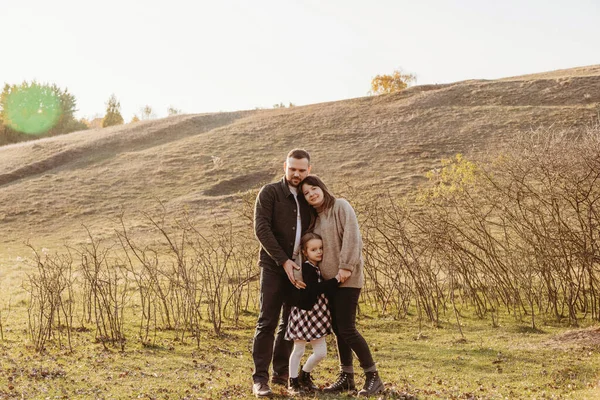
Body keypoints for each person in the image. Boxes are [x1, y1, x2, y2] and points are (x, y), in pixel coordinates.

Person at [299, 175, 385, 397]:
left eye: (314, 189)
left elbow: (352, 236)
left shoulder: (341, 206)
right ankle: (347, 377)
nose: (312, 194)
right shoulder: (315, 220)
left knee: (347, 328)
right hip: (330, 283)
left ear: (322, 187)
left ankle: (373, 377)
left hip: (348, 278)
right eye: (306, 193)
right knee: (338, 329)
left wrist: (346, 266)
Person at [251, 149, 313, 398]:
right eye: (292, 169)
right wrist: (283, 261)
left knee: (290, 323)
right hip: (274, 266)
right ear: (284, 167)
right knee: (267, 321)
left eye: (301, 170)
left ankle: (281, 373)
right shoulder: (270, 193)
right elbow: (261, 228)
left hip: (299, 269)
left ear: (308, 170)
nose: (296, 174)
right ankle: (260, 379)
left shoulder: (309, 196)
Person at [284, 233, 340, 395]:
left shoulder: (318, 268)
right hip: (304, 313)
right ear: (305, 252)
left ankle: (305, 374)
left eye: (321, 248)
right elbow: (313, 289)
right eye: (314, 249)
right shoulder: (307, 268)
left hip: (319, 315)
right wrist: (335, 280)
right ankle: (292, 381)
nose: (319, 252)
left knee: (321, 352)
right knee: (299, 349)